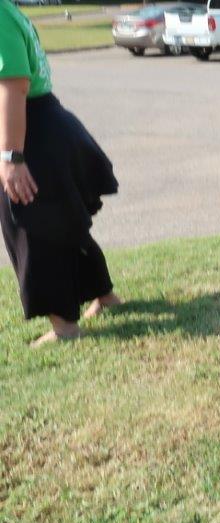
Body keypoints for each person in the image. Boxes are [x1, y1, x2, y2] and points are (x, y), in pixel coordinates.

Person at [0, 0, 121, 347]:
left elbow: (14, 85)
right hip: (41, 126)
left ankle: (65, 327)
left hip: (31, 134)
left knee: (32, 230)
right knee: (66, 224)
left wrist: (10, 156)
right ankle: (105, 295)